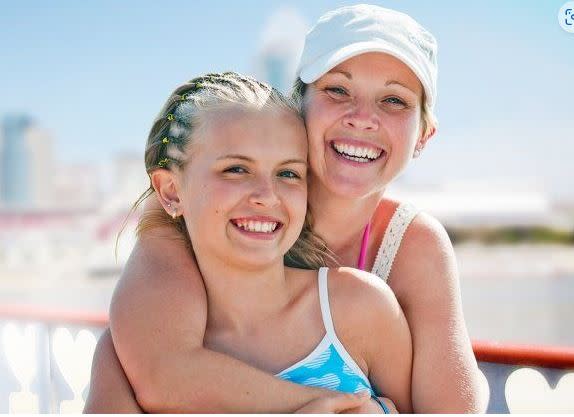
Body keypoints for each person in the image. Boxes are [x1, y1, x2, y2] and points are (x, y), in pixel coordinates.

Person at [87, 4, 486, 413]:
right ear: (299, 104)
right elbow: (159, 372)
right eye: (338, 90)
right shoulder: (185, 218)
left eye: (394, 101)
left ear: (424, 135)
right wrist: (332, 406)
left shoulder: (407, 253)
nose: (363, 118)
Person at [85, 71, 411, 413]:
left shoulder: (361, 309)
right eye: (236, 170)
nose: (267, 196)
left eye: (288, 173)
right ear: (170, 191)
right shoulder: (130, 353)